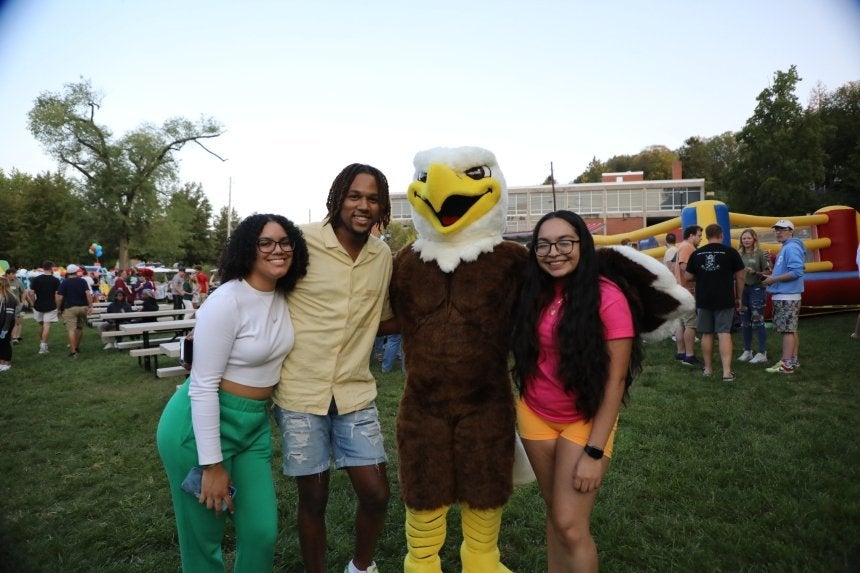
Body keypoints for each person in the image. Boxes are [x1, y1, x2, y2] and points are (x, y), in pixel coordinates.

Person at [156, 213, 309, 573]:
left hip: (253, 425)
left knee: (261, 532)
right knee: (204, 540)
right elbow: (204, 385)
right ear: (248, 249)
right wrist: (212, 464)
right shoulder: (227, 300)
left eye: (285, 242)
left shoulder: (286, 296)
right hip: (197, 428)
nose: (278, 250)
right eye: (266, 242)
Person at [272, 163, 395, 573]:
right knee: (314, 499)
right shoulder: (300, 242)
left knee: (376, 493)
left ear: (383, 207)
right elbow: (259, 292)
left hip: (355, 391)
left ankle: (361, 568)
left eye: (373, 198)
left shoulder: (382, 257)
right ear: (338, 197)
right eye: (355, 196)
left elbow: (384, 318)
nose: (363, 205)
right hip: (300, 393)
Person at [510, 210, 643, 572]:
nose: (554, 252)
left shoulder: (608, 296)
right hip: (535, 414)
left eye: (564, 242)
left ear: (582, 244)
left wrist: (595, 452)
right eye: (543, 244)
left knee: (570, 524)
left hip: (584, 419)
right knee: (556, 515)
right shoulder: (534, 292)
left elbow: (616, 381)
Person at [684, 224, 745, 381]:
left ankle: (708, 369)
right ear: (721, 235)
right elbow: (740, 277)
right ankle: (726, 372)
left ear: (706, 236)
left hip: (704, 299)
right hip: (725, 298)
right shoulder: (730, 252)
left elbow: (688, 276)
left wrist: (703, 275)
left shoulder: (697, 253)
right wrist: (739, 297)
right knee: (724, 333)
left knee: (706, 333)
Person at [762, 219, 806, 374]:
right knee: (791, 329)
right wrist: (769, 263)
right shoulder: (787, 247)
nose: (778, 232)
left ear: (791, 231)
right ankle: (792, 360)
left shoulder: (792, 247)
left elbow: (796, 272)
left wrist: (772, 280)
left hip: (787, 295)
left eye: (782, 229)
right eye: (776, 230)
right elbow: (782, 271)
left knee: (787, 330)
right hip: (787, 294)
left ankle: (786, 364)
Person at [737, 229, 771, 363]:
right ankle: (747, 351)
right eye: (744, 238)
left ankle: (762, 352)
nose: (746, 241)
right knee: (745, 322)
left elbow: (768, 272)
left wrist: (755, 272)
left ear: (754, 239)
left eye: (748, 238)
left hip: (757, 289)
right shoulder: (738, 254)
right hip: (743, 290)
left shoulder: (760, 254)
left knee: (757, 320)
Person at [673, 225, 703, 366]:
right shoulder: (687, 247)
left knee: (680, 323)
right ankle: (689, 356)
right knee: (690, 324)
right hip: (687, 291)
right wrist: (701, 275)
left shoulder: (682, 246)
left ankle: (681, 353)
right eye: (699, 235)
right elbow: (684, 266)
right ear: (691, 235)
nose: (700, 238)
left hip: (680, 289)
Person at [55, 264, 93, 358]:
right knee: (79, 328)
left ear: (68, 272)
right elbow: (88, 294)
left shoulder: (65, 282)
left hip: (70, 308)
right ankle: (76, 347)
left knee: (71, 329)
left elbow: (59, 297)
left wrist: (58, 309)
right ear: (77, 271)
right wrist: (90, 306)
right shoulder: (83, 281)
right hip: (83, 307)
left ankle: (73, 352)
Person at [29, 261, 61, 354]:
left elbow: (31, 293)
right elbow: (57, 296)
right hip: (51, 305)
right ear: (51, 268)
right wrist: (58, 307)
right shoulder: (55, 280)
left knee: (41, 325)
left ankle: (43, 344)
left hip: (38, 304)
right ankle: (43, 346)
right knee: (46, 325)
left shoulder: (36, 279)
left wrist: (33, 303)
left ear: (43, 268)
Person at [0, 276, 19, 372]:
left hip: (6, 324)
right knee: (0, 343)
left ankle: (7, 362)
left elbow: (9, 315)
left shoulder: (9, 297)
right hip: (1, 323)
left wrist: (5, 328)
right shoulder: (1, 296)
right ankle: (1, 362)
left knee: (5, 342)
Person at [4, 268, 25, 344]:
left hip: (17, 305)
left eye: (15, 274)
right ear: (7, 274)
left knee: (18, 321)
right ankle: (12, 337)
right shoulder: (3, 282)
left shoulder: (18, 281)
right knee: (8, 321)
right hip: (6, 305)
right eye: (13, 274)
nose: (14, 275)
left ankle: (16, 337)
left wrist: (22, 302)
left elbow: (23, 292)